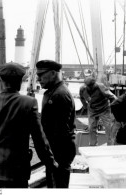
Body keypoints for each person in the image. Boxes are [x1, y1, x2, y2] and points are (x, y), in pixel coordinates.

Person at [0, 62, 58, 188]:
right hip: (15, 171)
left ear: (0, 80)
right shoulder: (29, 103)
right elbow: (39, 141)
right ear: (20, 82)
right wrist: (51, 164)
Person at [36, 60, 76, 188]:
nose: (38, 78)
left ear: (53, 73)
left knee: (57, 185)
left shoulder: (59, 95)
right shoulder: (54, 92)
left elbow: (60, 130)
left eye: (41, 74)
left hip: (59, 149)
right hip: (59, 149)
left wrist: (51, 155)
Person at [79, 76, 117, 146]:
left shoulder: (100, 87)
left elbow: (113, 97)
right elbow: (81, 98)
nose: (89, 87)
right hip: (92, 110)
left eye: (91, 86)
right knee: (91, 128)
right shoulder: (82, 89)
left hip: (104, 109)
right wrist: (85, 106)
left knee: (109, 128)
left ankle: (111, 146)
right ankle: (93, 146)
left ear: (94, 84)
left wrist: (113, 108)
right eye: (87, 86)